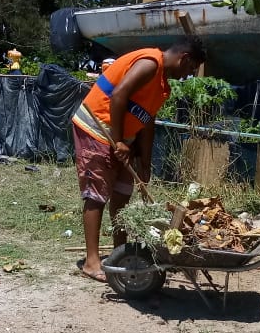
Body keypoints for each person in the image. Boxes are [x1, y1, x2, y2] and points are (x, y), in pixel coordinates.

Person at [72, 36, 206, 281]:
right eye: (190, 68)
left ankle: (119, 253)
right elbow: (119, 95)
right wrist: (119, 141)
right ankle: (91, 262)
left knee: (123, 193)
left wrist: (144, 162)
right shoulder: (150, 63)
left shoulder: (163, 84)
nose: (188, 75)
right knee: (97, 193)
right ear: (184, 58)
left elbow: (147, 122)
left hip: (124, 137)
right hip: (98, 128)